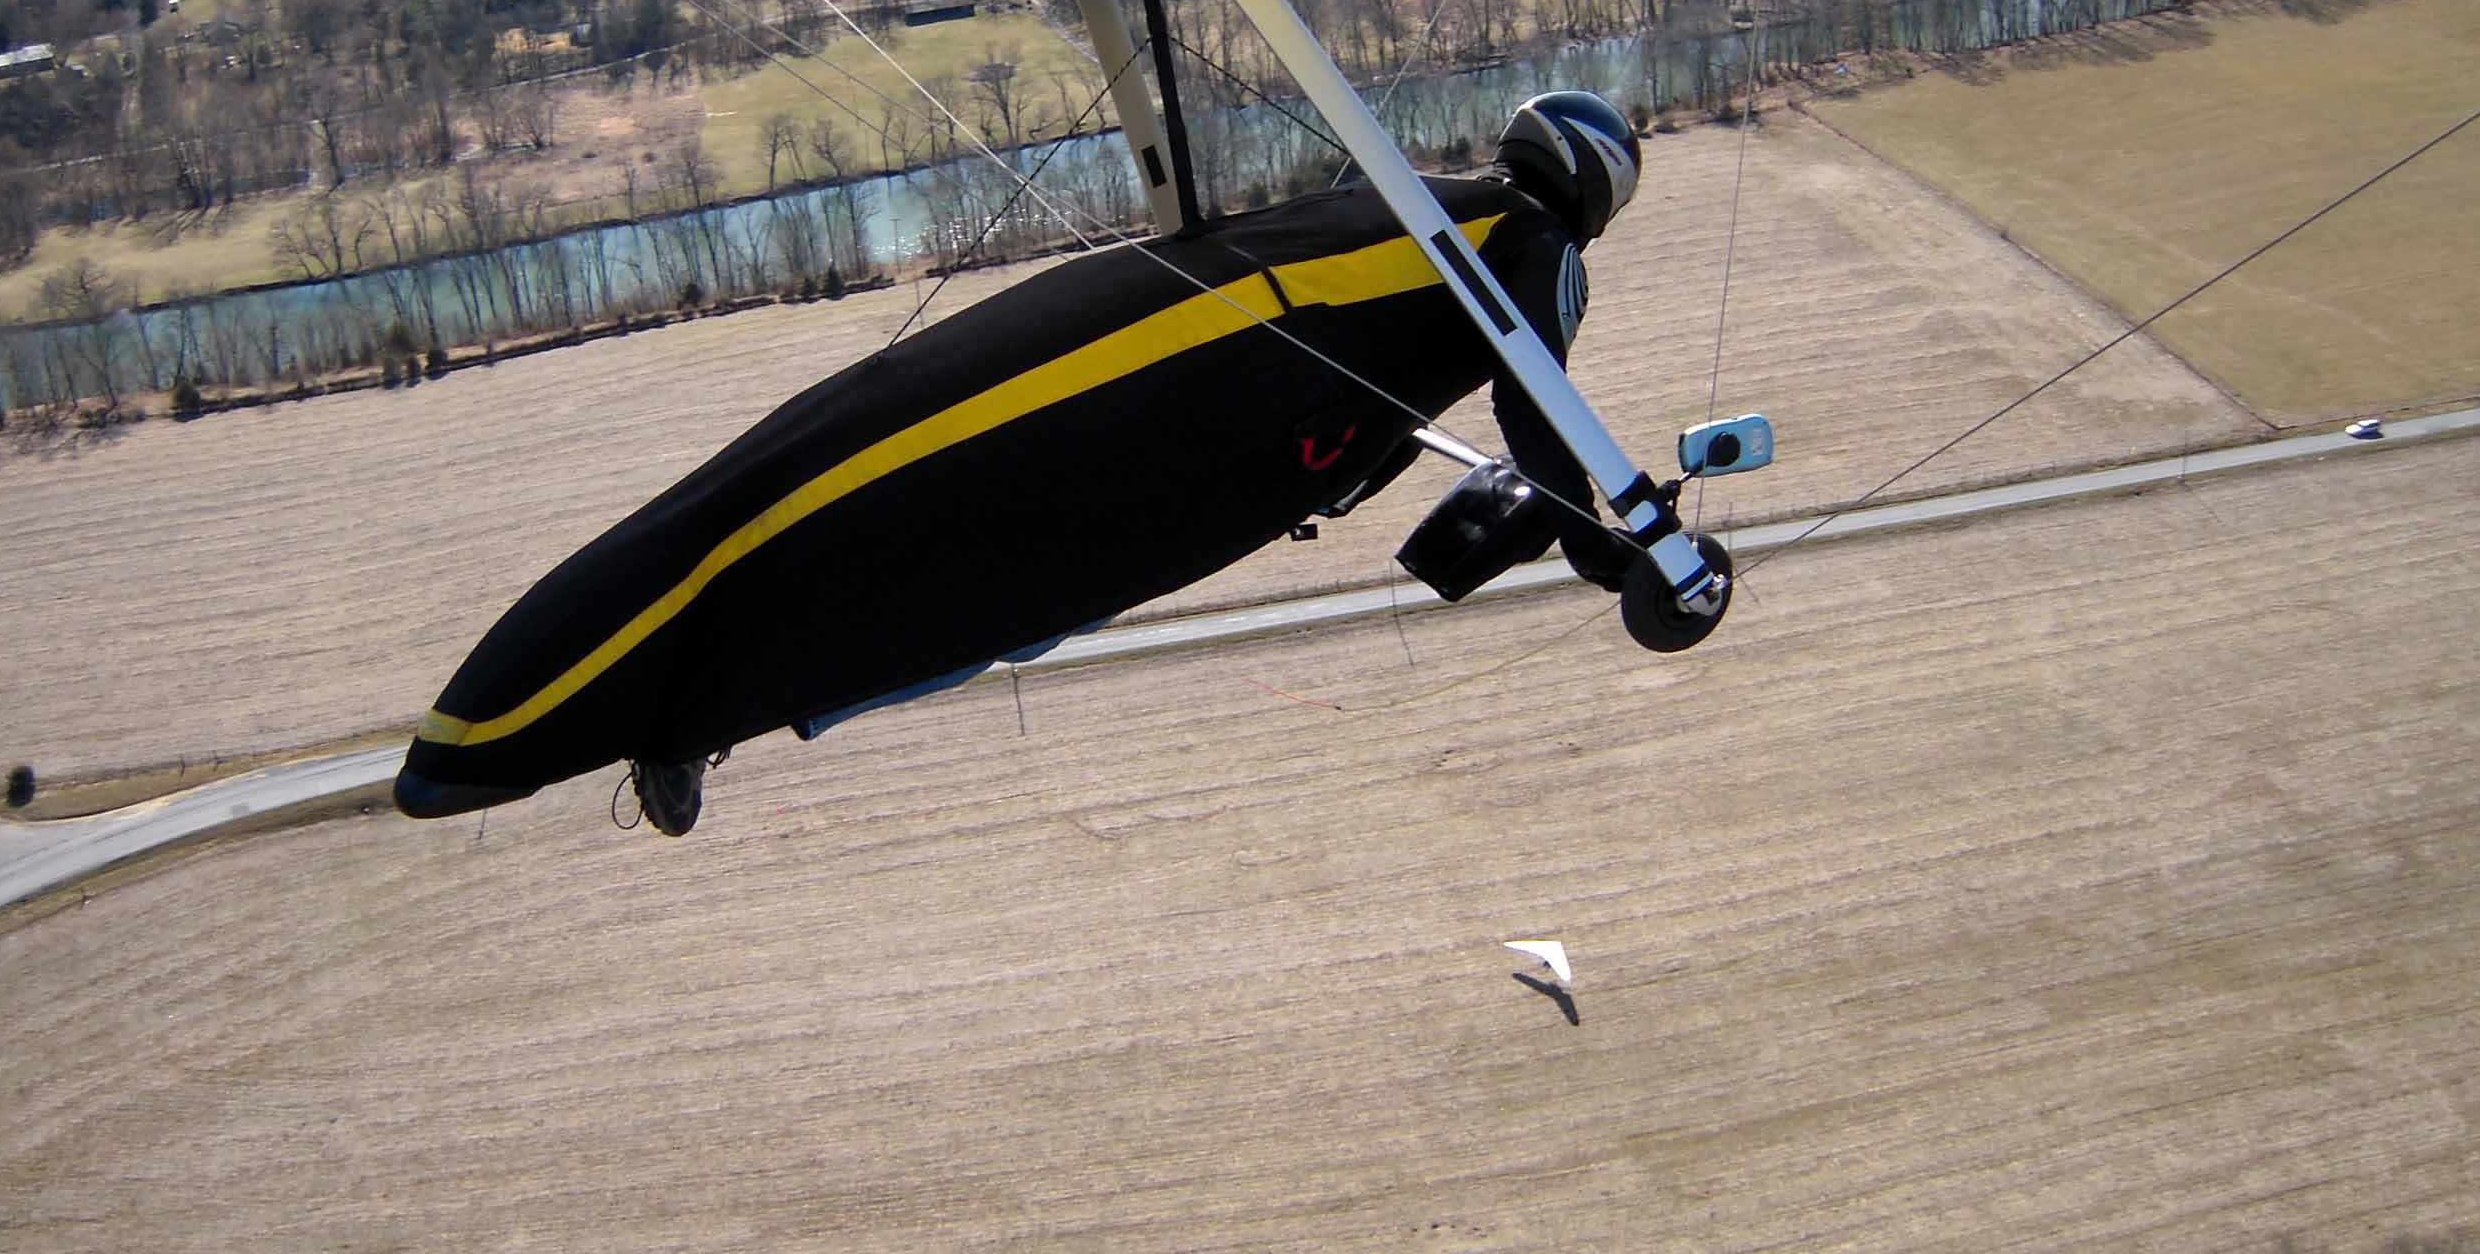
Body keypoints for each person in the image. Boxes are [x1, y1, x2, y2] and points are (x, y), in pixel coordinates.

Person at [393, 91, 1700, 832]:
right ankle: (696, 716)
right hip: (1204, 420)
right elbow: (1538, 409)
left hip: (1183, 355)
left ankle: (696, 716)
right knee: (1001, 605)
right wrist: (1617, 546)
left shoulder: (1426, 200)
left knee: (999, 606)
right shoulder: (1534, 246)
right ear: (1595, 193)